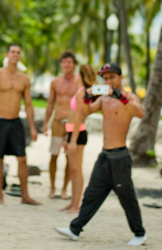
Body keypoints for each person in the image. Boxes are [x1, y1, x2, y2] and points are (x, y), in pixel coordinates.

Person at [54, 62, 147, 246]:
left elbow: (140, 113)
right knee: (92, 194)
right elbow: (86, 111)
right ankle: (75, 229)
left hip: (120, 157)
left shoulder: (129, 97)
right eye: (105, 78)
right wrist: (87, 97)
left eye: (112, 77)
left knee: (127, 197)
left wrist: (120, 96)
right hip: (104, 156)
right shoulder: (104, 99)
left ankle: (140, 233)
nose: (108, 81)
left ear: (120, 78)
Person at [0, 44, 40, 205]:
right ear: (7, 55)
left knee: (22, 158)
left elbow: (28, 105)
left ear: (20, 56)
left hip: (15, 121)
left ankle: (25, 195)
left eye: (18, 52)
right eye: (13, 52)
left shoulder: (24, 78)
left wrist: (33, 128)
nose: (15, 54)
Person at [42, 51, 79, 199]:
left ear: (74, 64)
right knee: (54, 155)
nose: (66, 64)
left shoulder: (79, 82)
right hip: (57, 122)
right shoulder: (55, 82)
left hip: (71, 123)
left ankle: (64, 189)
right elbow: (50, 103)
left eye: (69, 62)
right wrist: (45, 123)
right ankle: (52, 187)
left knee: (70, 157)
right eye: (64, 62)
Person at [61, 64, 98, 214]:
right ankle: (72, 203)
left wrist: (73, 140)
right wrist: (67, 137)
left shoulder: (82, 93)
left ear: (82, 76)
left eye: (77, 73)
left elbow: (79, 117)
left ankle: (77, 205)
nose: (75, 76)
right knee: (72, 170)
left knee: (77, 171)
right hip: (72, 133)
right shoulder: (81, 92)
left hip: (78, 134)